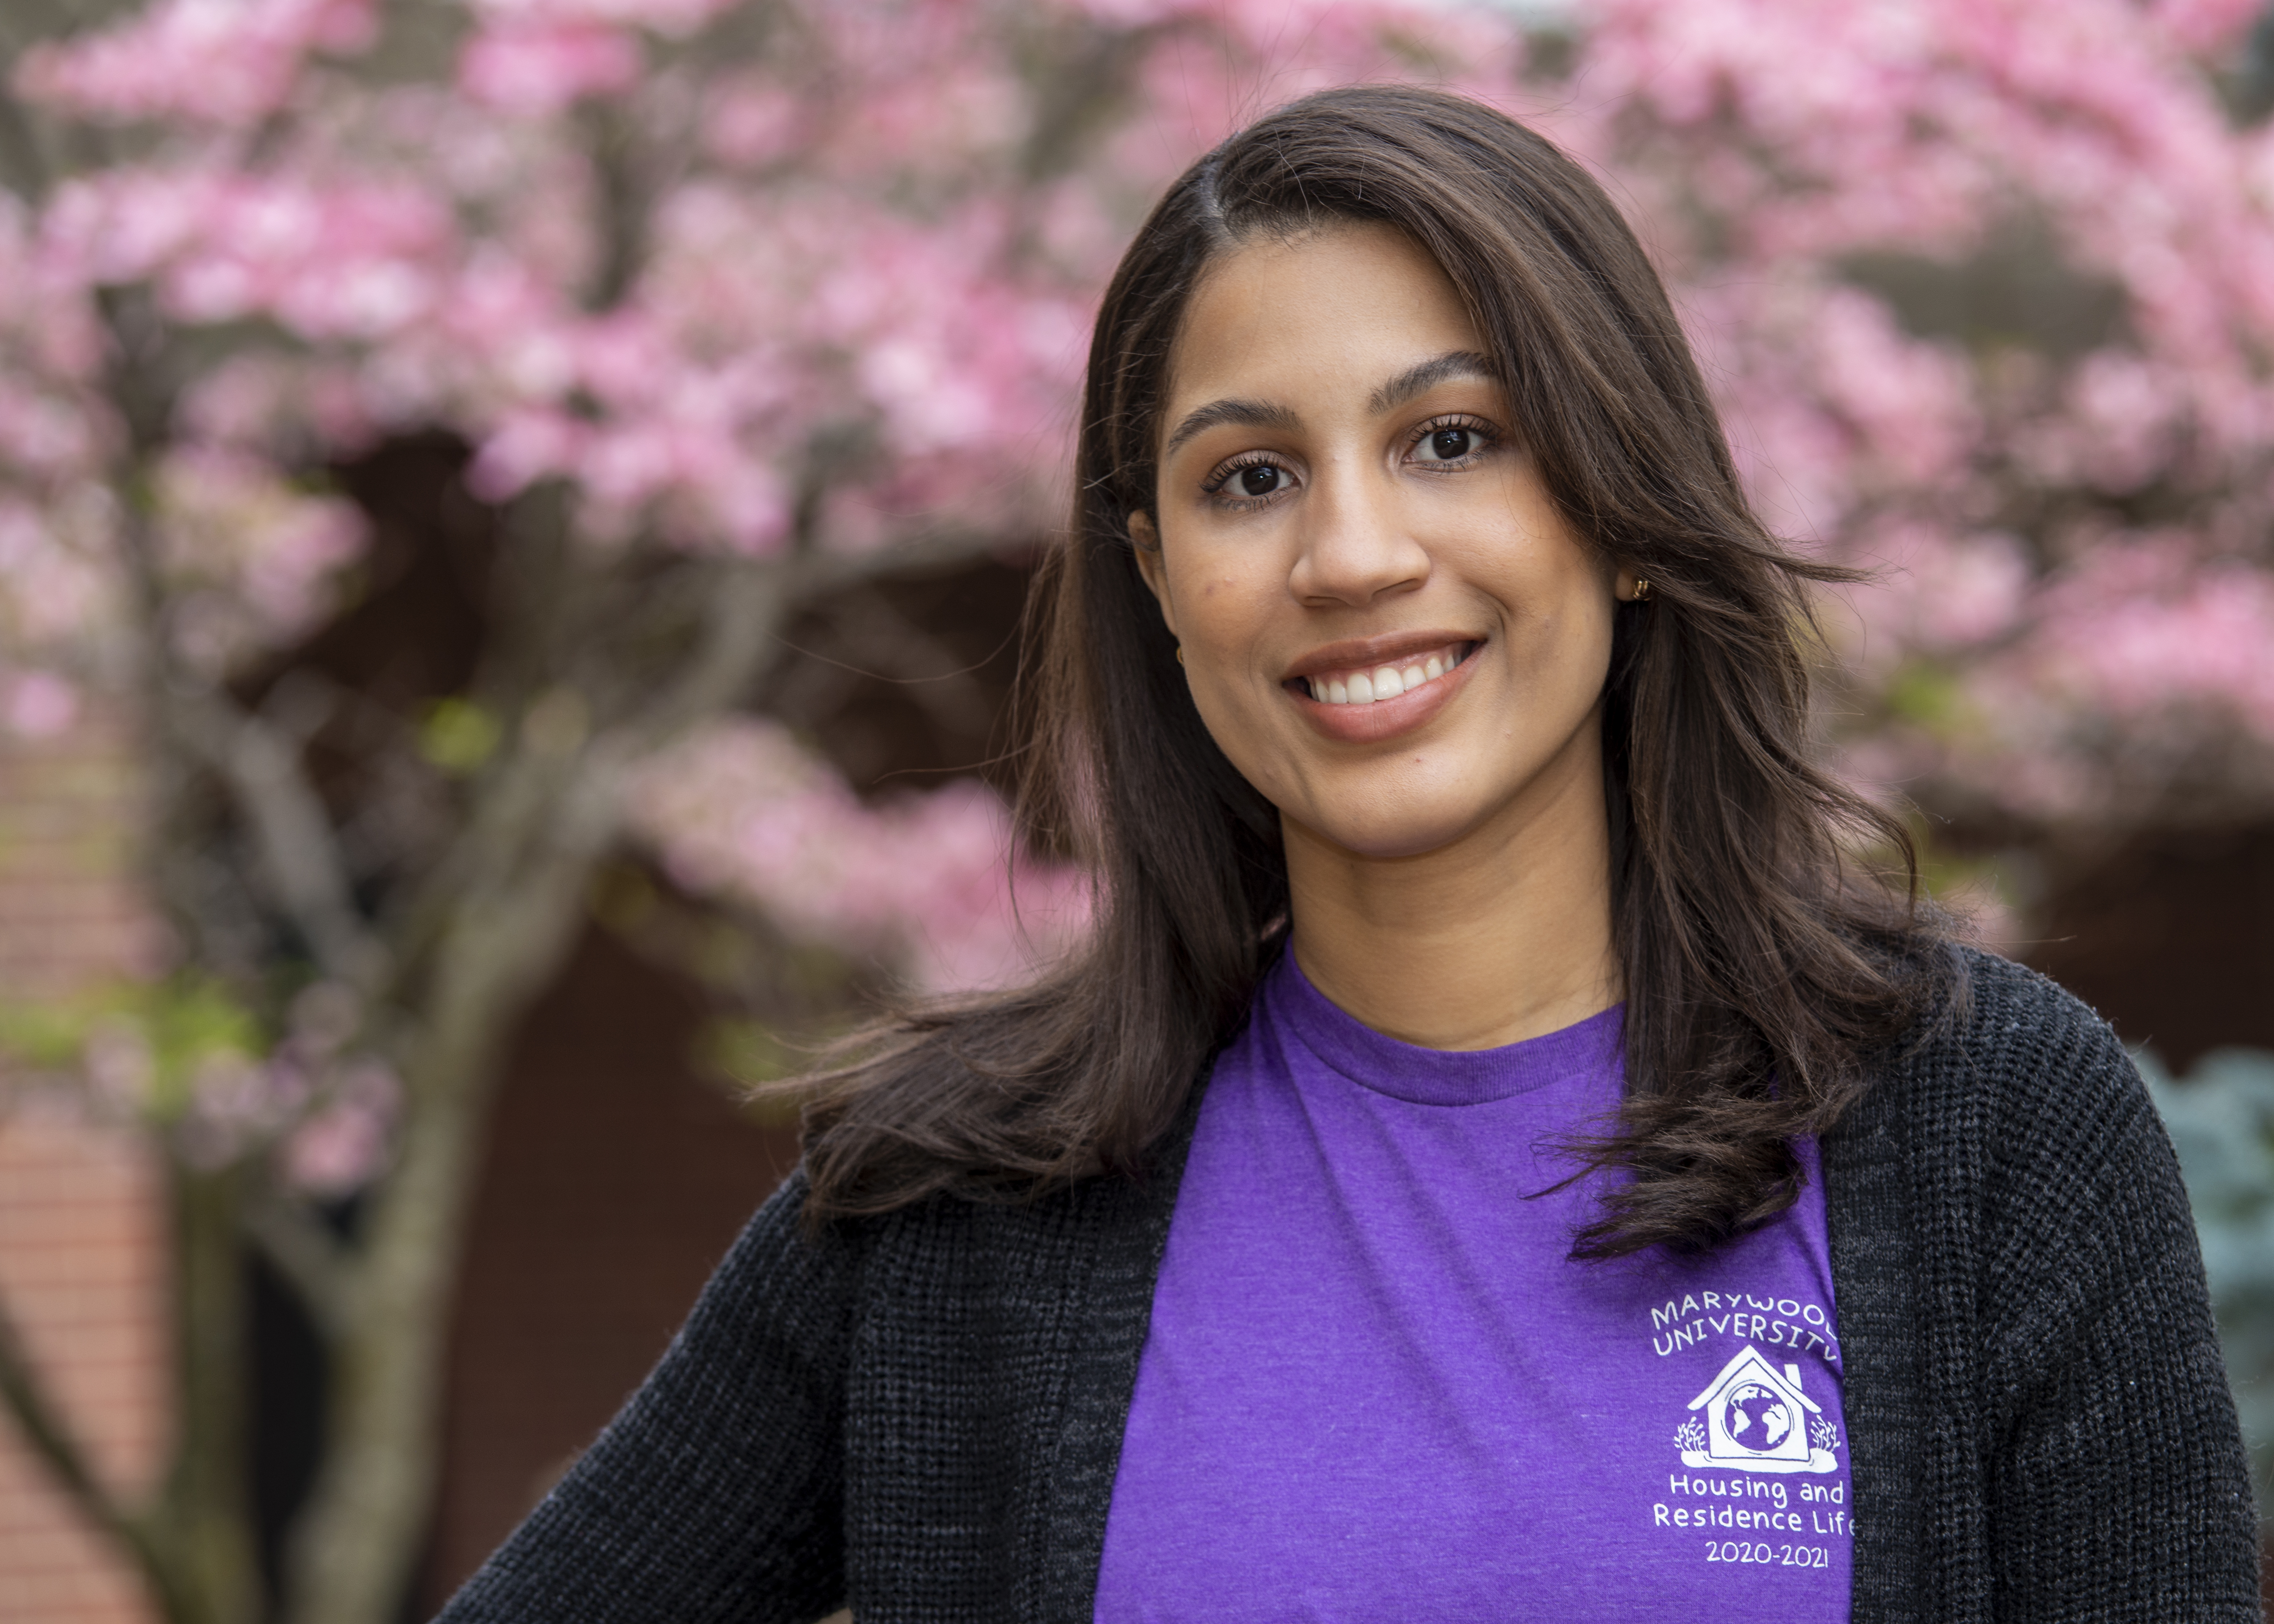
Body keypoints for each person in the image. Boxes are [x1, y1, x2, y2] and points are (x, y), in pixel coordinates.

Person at [435, 86, 2260, 1623]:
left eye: (1453, 439)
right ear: (1155, 573)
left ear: (1623, 509)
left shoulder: (1989, 1127)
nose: (1352, 554)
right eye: (1250, 477)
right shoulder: (955, 1202)